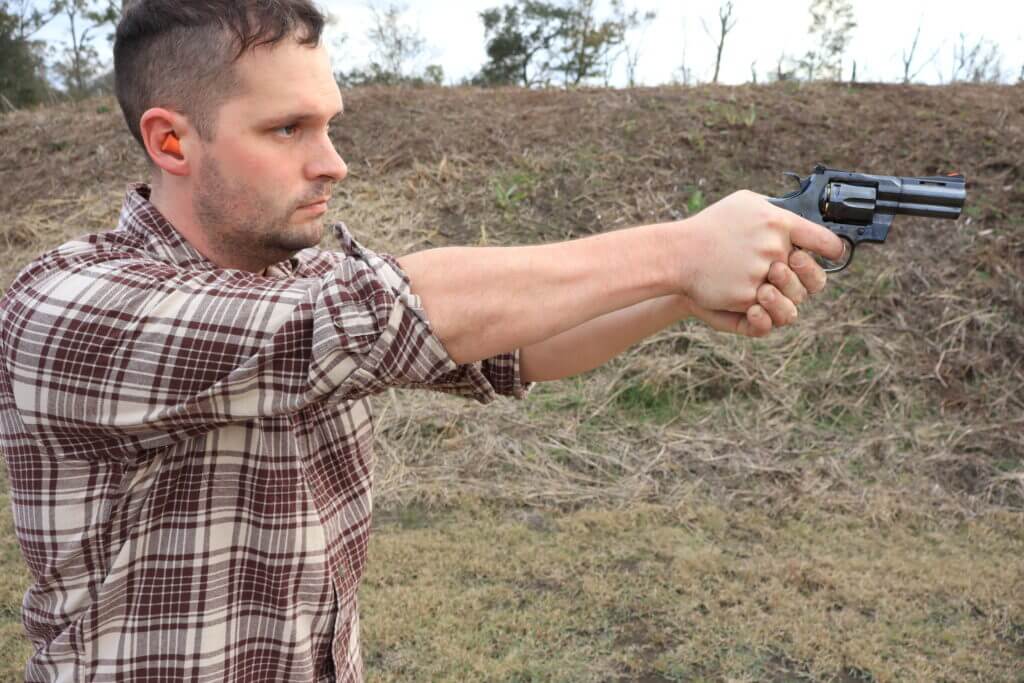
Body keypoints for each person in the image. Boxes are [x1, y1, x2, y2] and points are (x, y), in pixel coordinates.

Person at [0, 1, 844, 681]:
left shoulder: (292, 280)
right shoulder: (72, 304)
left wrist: (682, 293)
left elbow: (511, 351)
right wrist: (678, 249)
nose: (333, 161)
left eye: (330, 125)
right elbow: (375, 314)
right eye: (288, 129)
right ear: (171, 140)